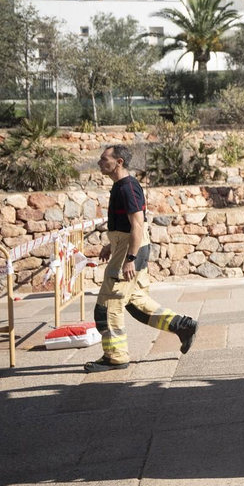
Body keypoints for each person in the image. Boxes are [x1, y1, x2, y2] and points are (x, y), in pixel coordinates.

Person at [85, 145, 198, 371]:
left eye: (104, 158)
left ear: (119, 162)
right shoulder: (121, 186)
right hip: (126, 247)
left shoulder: (127, 188)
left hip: (130, 251)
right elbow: (128, 226)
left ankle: (115, 357)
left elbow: (138, 224)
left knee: (107, 307)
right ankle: (183, 326)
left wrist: (129, 258)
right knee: (136, 304)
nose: (99, 162)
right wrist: (111, 244)